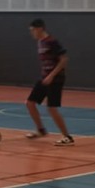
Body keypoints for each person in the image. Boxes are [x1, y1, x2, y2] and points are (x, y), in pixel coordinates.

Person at [25, 18, 74, 146]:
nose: (32, 33)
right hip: (44, 78)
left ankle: (67, 137)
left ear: (40, 29)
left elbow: (64, 59)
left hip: (55, 79)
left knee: (52, 108)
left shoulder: (52, 42)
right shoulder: (40, 42)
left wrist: (51, 76)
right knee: (30, 103)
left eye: (33, 30)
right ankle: (41, 130)